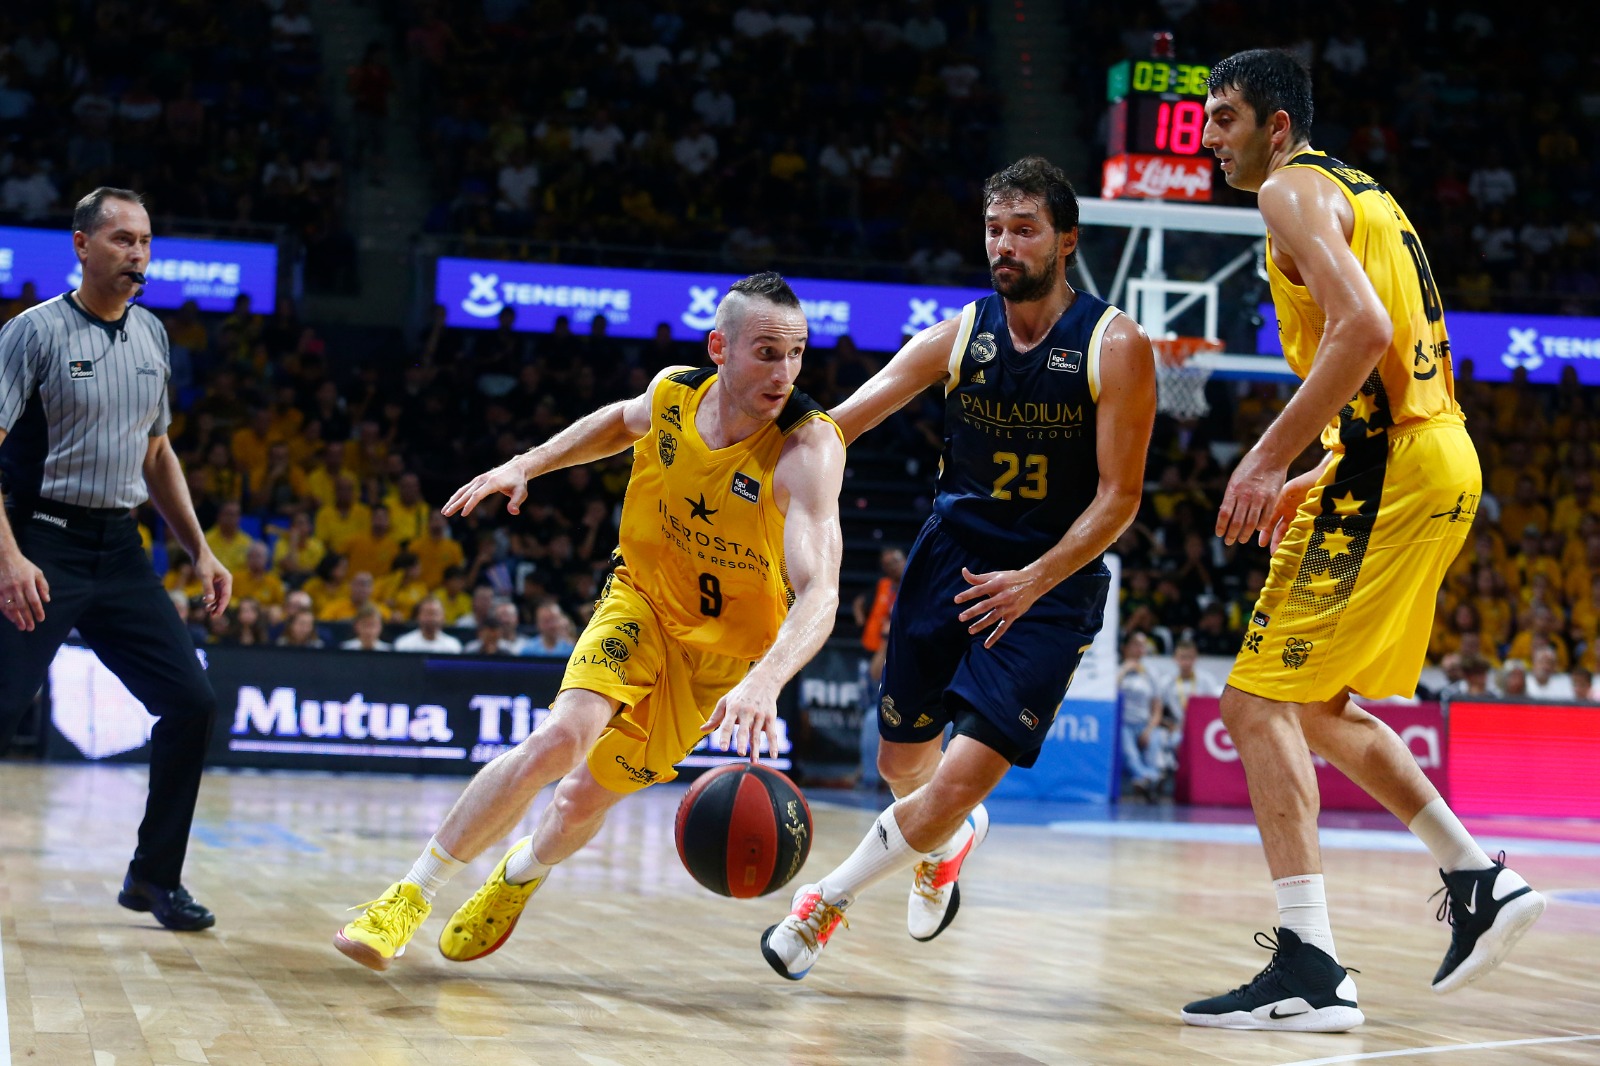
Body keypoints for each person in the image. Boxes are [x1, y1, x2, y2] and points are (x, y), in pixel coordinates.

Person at [334, 272, 846, 971]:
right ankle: (406, 898)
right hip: (639, 601)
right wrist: (528, 464)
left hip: (722, 663)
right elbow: (619, 421)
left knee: (579, 801)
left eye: (797, 352)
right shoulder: (673, 393)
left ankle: (519, 876)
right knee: (558, 740)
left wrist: (766, 681)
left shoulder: (807, 449)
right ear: (718, 348)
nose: (784, 372)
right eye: (766, 351)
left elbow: (821, 592)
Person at [1187, 49, 1544, 1032]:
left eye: (1224, 119)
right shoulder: (1360, 188)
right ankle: (1476, 880)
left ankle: (1311, 966)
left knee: (1254, 699)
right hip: (1423, 457)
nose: (1209, 138)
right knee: (1311, 706)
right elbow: (1390, 358)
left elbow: (1360, 326)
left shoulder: (1290, 191)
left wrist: (1263, 459)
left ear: (1276, 127)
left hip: (1394, 468)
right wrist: (1318, 470)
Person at [761, 157, 1155, 978]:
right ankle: (954, 839)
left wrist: (1037, 578)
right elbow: (846, 421)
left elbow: (1119, 501)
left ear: (1066, 241)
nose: (1004, 244)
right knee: (903, 767)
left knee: (955, 779)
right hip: (951, 561)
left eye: (1023, 228)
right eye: (994, 228)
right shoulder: (959, 335)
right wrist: (758, 460)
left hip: (1050, 584)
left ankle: (818, 908)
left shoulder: (1115, 346)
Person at [0, 187, 229, 932]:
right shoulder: (31, 334)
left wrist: (199, 549)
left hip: (119, 549)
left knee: (191, 705)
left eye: (146, 243)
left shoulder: (154, 336)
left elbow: (157, 450)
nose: (138, 255)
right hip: (39, 542)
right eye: (123, 240)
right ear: (81, 245)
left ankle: (153, 880)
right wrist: (8, 558)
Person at [392, 596, 462, 653]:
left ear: (443, 617)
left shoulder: (453, 646)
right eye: (427, 613)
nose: (431, 618)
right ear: (418, 616)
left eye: (435, 613)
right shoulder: (403, 644)